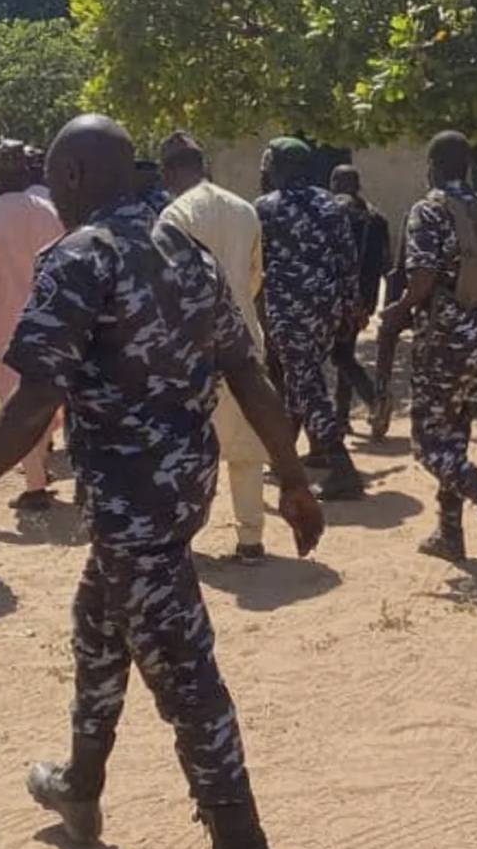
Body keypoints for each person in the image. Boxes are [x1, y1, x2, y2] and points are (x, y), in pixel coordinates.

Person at [0, 115, 324, 849]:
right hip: (176, 490)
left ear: (68, 177)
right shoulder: (187, 252)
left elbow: (34, 400)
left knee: (186, 678)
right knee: (97, 627)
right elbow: (246, 369)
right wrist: (295, 476)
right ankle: (81, 784)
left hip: (134, 503)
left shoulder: (81, 258)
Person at [378, 131, 477, 562]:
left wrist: (400, 310)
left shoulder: (427, 211)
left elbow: (422, 279)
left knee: (428, 446)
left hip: (443, 345)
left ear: (432, 166)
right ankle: (450, 534)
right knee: (455, 437)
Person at [159, 130, 274, 563]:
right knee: (246, 446)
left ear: (170, 172)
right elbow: (253, 277)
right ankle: (251, 539)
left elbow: (170, 289)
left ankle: (185, 537)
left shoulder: (173, 215)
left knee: (189, 445)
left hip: (193, 348)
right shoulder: (244, 209)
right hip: (243, 338)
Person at [255, 138, 365, 500]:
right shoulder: (331, 205)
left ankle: (341, 465)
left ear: (280, 167)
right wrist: (350, 307)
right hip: (327, 311)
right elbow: (349, 261)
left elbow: (258, 266)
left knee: (305, 385)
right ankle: (285, 457)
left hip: (289, 312)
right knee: (302, 379)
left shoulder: (267, 208)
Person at [0, 141, 67, 509]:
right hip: (54, 316)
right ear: (26, 171)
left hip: (5, 323)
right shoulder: (51, 211)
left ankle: (36, 484)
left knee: (16, 401)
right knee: (62, 391)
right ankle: (65, 463)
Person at [328, 163, 389, 429]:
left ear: (336, 185)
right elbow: (384, 263)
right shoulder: (377, 218)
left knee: (338, 355)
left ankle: (374, 398)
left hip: (338, 297)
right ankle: (342, 416)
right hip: (365, 298)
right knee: (345, 351)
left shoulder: (332, 212)